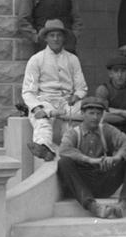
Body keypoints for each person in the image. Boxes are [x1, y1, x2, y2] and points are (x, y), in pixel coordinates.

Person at [57, 96, 126, 219]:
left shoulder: (106, 129)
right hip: (84, 182)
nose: (95, 117)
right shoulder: (73, 133)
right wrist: (90, 160)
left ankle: (123, 204)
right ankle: (93, 207)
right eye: (91, 113)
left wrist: (117, 158)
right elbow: (64, 150)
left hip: (105, 179)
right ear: (82, 113)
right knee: (64, 162)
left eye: (98, 114)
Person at [21, 19, 87, 160]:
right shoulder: (36, 60)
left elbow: (81, 87)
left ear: (63, 38)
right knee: (42, 119)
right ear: (46, 38)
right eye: (52, 35)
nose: (56, 39)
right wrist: (36, 108)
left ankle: (70, 149)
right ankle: (44, 147)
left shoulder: (72, 59)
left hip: (67, 101)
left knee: (77, 117)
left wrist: (76, 96)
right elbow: (28, 90)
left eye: (59, 35)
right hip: (46, 100)